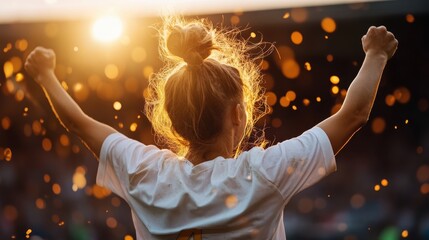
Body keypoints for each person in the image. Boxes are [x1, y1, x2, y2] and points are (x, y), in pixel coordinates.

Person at [24, 16, 398, 239]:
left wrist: (45, 76)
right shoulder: (261, 174)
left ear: (171, 119)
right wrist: (376, 54)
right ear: (237, 115)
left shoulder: (144, 173)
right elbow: (353, 115)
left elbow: (79, 123)